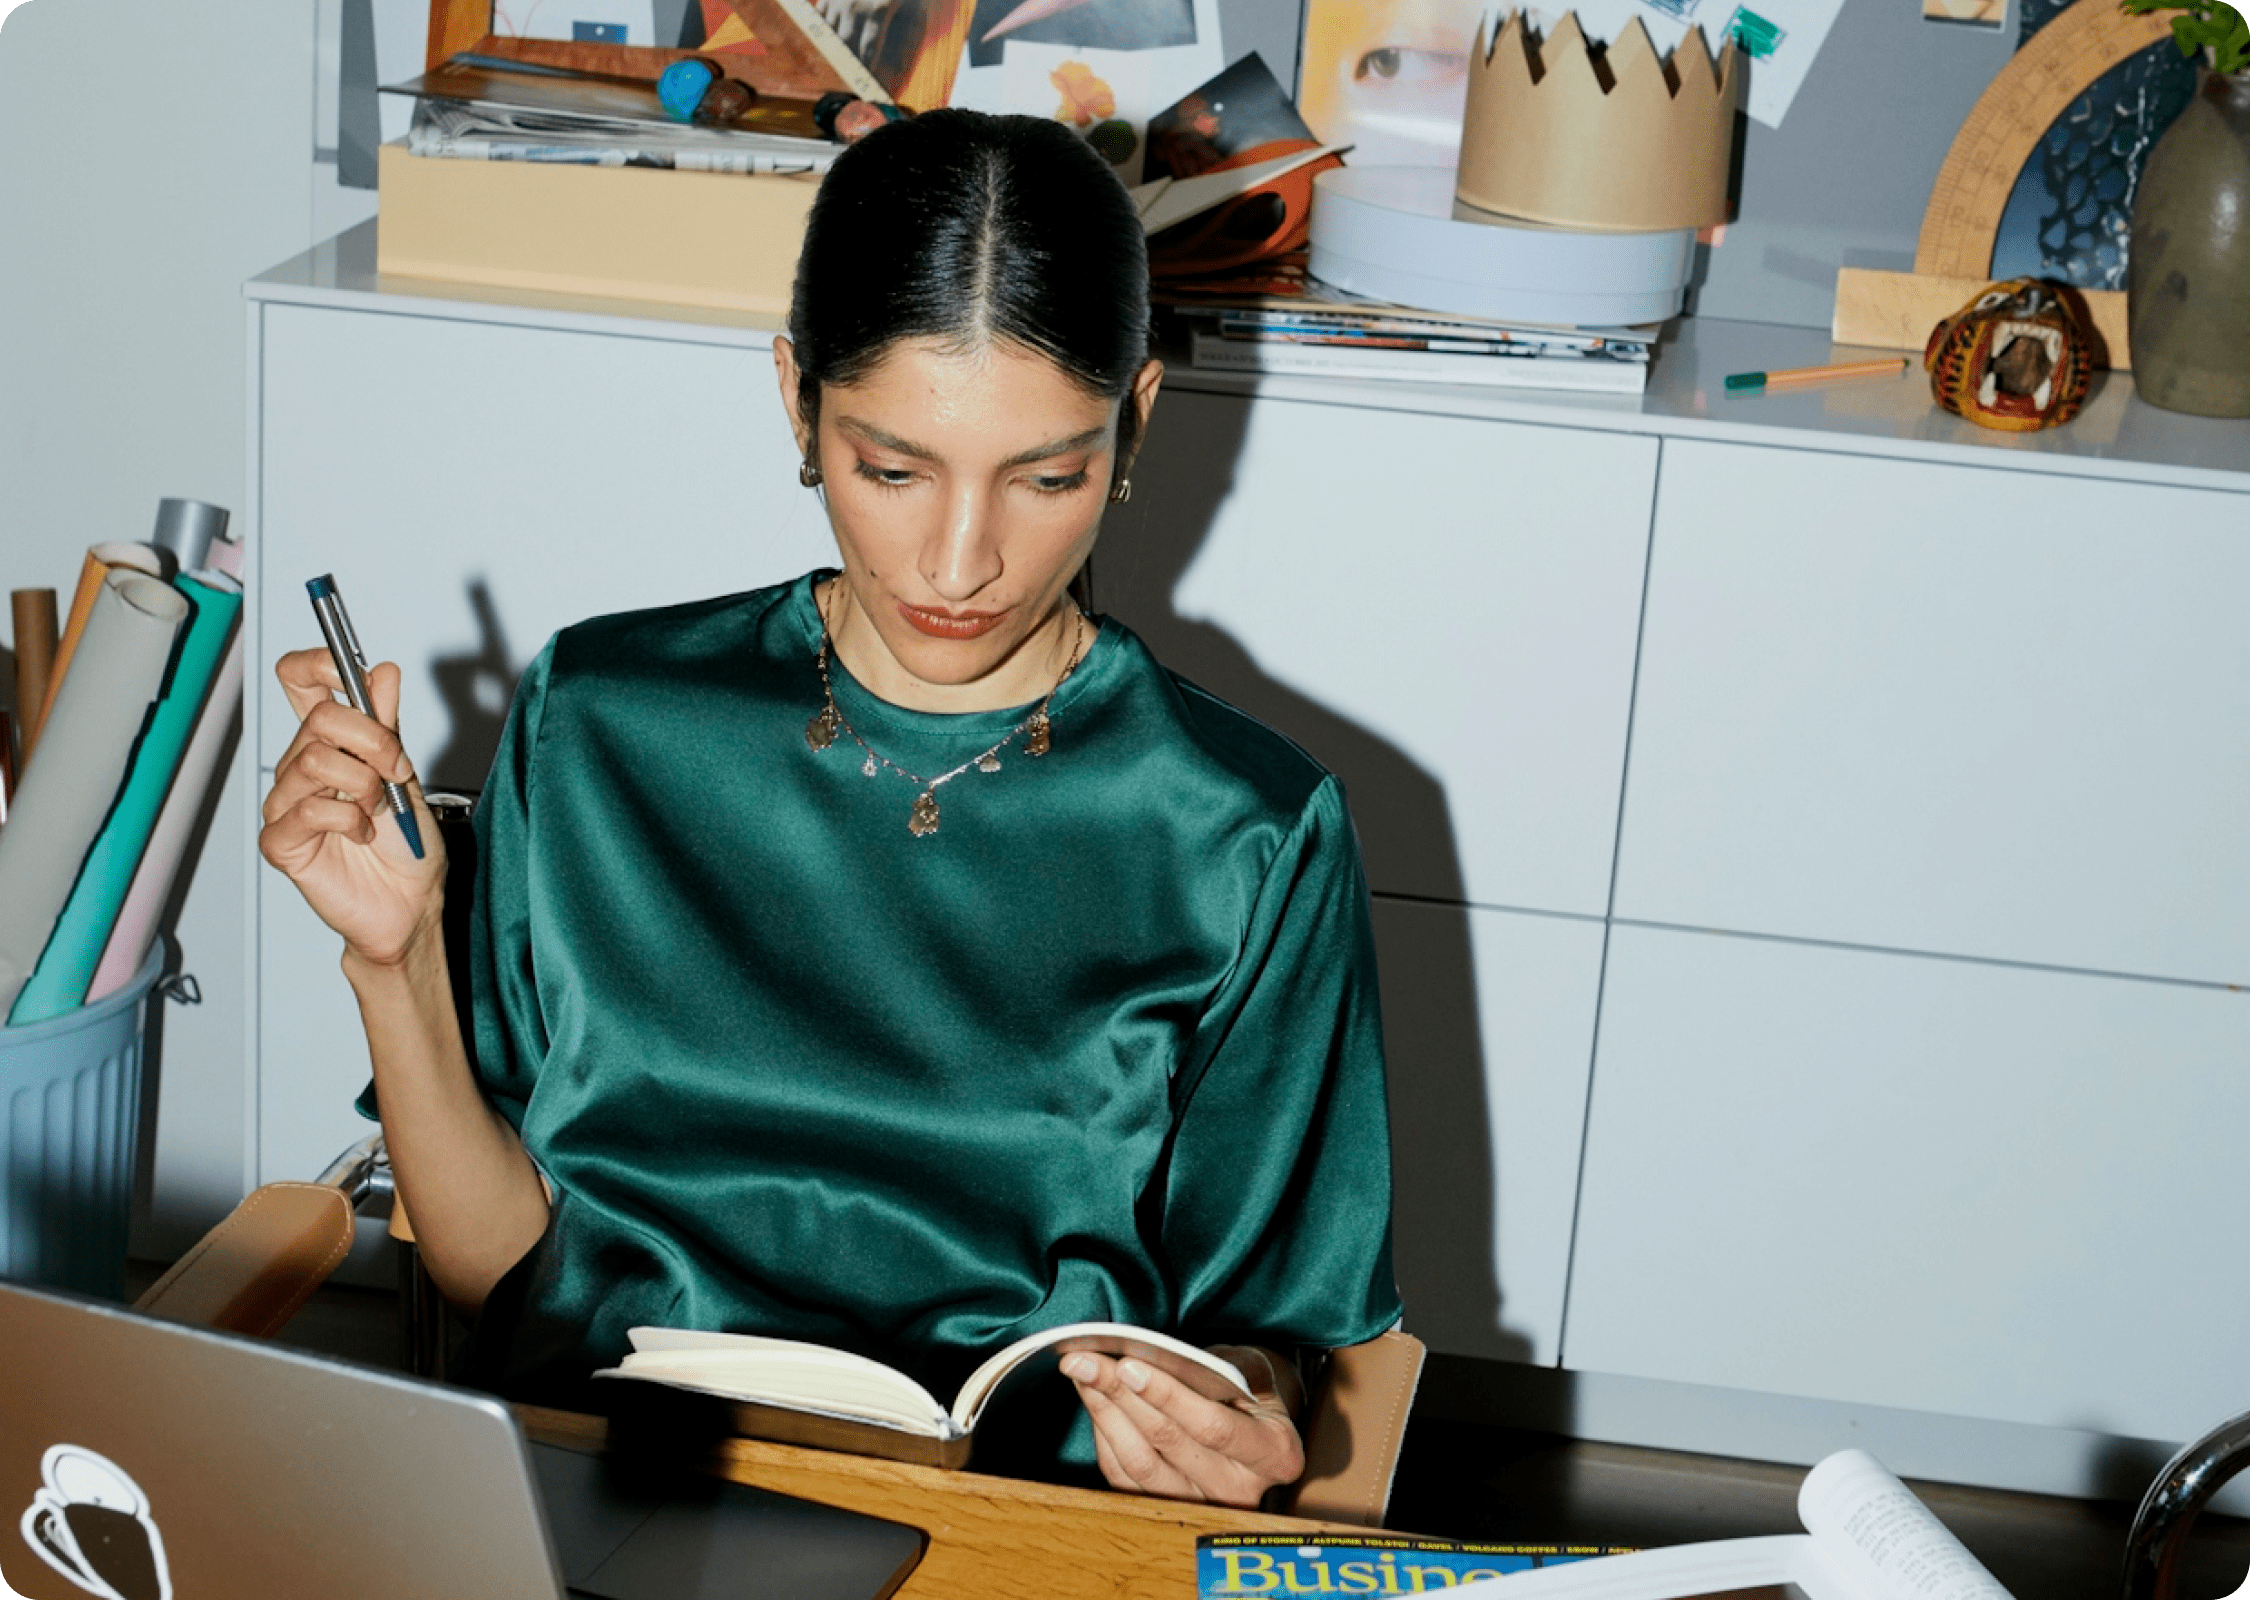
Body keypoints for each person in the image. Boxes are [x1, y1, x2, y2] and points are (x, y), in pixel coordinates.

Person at [258, 109, 1399, 1505]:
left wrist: (1236, 1424)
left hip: (1007, 1523)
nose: (960, 559)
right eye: (890, 468)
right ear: (797, 402)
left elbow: (1269, 1340)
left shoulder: (1243, 831)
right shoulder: (602, 718)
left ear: (1134, 425)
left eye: (1046, 477)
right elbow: (494, 1265)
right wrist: (392, 960)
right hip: (601, 1489)